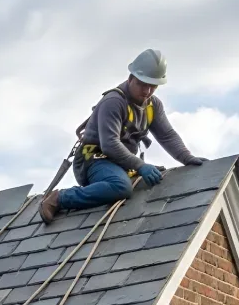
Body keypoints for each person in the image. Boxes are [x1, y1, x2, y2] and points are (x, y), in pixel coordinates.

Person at [41, 49, 207, 223]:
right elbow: (110, 144)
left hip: (121, 164)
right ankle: (59, 199)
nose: (147, 91)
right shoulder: (113, 102)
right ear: (131, 78)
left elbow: (167, 135)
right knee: (120, 187)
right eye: (143, 84)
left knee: (158, 181)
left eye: (153, 86)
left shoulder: (153, 105)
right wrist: (140, 166)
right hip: (93, 161)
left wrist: (187, 158)